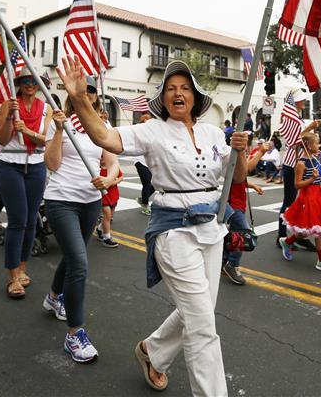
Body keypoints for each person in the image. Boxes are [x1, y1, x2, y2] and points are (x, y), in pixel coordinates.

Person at [59, 56, 249, 394]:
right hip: (173, 231)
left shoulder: (214, 132)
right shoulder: (152, 130)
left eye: (185, 88)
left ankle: (153, 351)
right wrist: (78, 99)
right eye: (171, 89)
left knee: (199, 311)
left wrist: (241, 154)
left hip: (212, 230)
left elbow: (236, 177)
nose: (178, 93)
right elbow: (106, 136)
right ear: (162, 98)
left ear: (196, 96)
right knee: (203, 325)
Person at [43, 78, 121, 364]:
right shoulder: (59, 120)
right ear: (72, 94)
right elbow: (51, 164)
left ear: (95, 96)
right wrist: (58, 131)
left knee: (73, 255)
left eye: (90, 90)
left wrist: (108, 179)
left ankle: (53, 296)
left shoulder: (102, 127)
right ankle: (74, 333)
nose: (85, 93)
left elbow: (113, 163)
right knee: (78, 262)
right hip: (61, 198)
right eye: (81, 89)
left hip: (90, 202)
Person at [0, 67, 54, 300]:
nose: (30, 84)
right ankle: (12, 276)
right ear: (18, 83)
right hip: (11, 164)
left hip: (36, 165)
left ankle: (22, 267)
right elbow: (1, 139)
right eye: (26, 80)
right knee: (18, 220)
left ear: (40, 85)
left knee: (32, 220)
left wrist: (27, 131)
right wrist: (11, 117)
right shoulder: (8, 105)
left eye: (34, 81)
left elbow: (46, 140)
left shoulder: (46, 108)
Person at [279, 133, 321, 274]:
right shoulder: (301, 163)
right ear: (308, 145)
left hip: (317, 197)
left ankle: (287, 242)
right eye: (317, 143)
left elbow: (320, 182)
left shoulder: (315, 160)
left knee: (307, 230)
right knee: (320, 230)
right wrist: (312, 178)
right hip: (307, 200)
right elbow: (297, 185)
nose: (319, 146)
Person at [276, 88, 319, 253]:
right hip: (292, 164)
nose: (304, 101)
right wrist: (310, 127)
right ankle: (283, 237)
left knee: (300, 203)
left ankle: (299, 236)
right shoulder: (293, 118)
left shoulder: (297, 118)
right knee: (289, 202)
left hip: (300, 163)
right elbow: (295, 141)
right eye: (301, 99)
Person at [222, 148, 265, 286]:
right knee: (243, 234)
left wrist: (252, 185)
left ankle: (223, 261)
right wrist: (261, 152)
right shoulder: (231, 158)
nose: (245, 153)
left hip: (238, 203)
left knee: (232, 234)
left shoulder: (236, 160)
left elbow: (240, 178)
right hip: (232, 204)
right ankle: (232, 264)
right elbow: (246, 170)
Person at [134, 113, 155, 216]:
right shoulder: (138, 128)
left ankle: (143, 199)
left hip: (150, 161)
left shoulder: (153, 130)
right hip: (140, 161)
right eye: (145, 119)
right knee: (147, 183)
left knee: (155, 183)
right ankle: (146, 206)